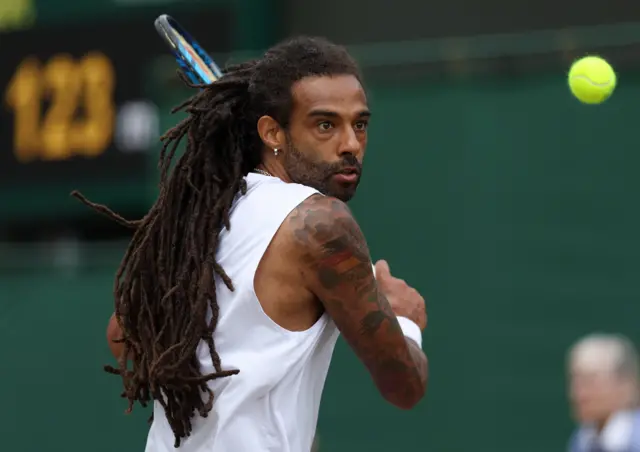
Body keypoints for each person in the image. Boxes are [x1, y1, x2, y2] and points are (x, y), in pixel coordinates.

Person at [74, 36, 428, 451]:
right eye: (325, 124)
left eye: (360, 124)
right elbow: (404, 385)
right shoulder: (320, 223)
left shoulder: (204, 217)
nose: (350, 143)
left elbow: (123, 336)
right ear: (272, 131)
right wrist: (405, 321)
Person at [567, 333, 640, 451]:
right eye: (575, 381)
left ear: (625, 384)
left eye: (590, 381)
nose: (578, 394)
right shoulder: (581, 439)